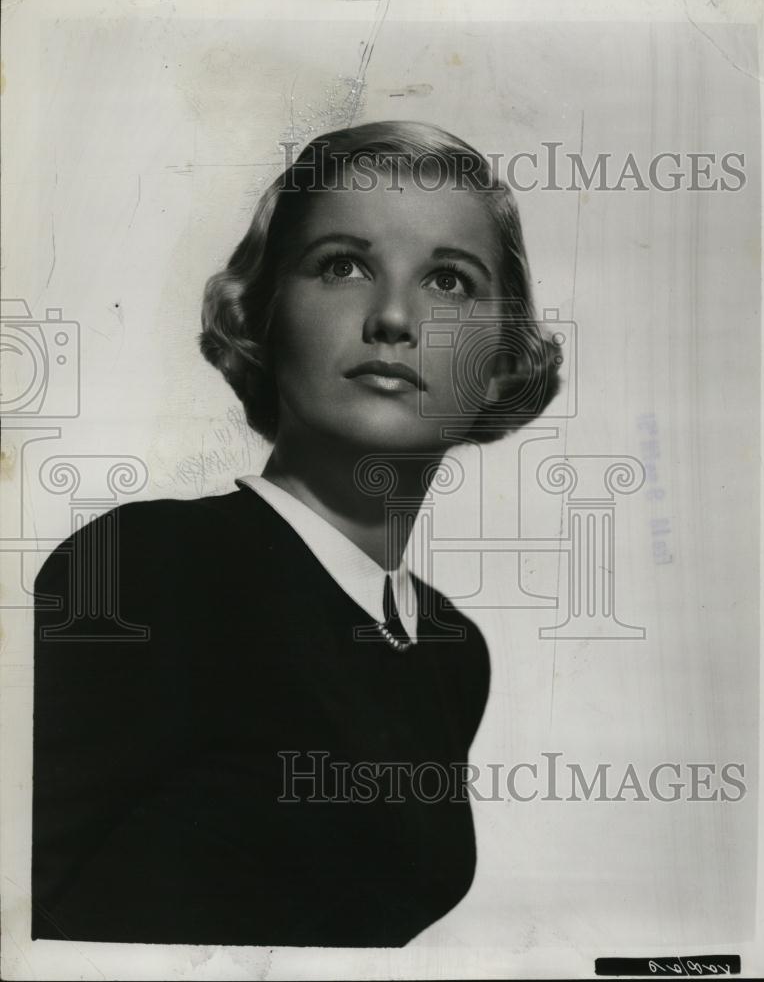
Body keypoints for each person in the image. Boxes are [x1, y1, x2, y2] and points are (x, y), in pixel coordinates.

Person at [31, 121, 561, 947]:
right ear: (263, 314)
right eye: (342, 266)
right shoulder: (146, 568)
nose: (392, 317)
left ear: (501, 360)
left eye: (450, 281)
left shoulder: (450, 649)